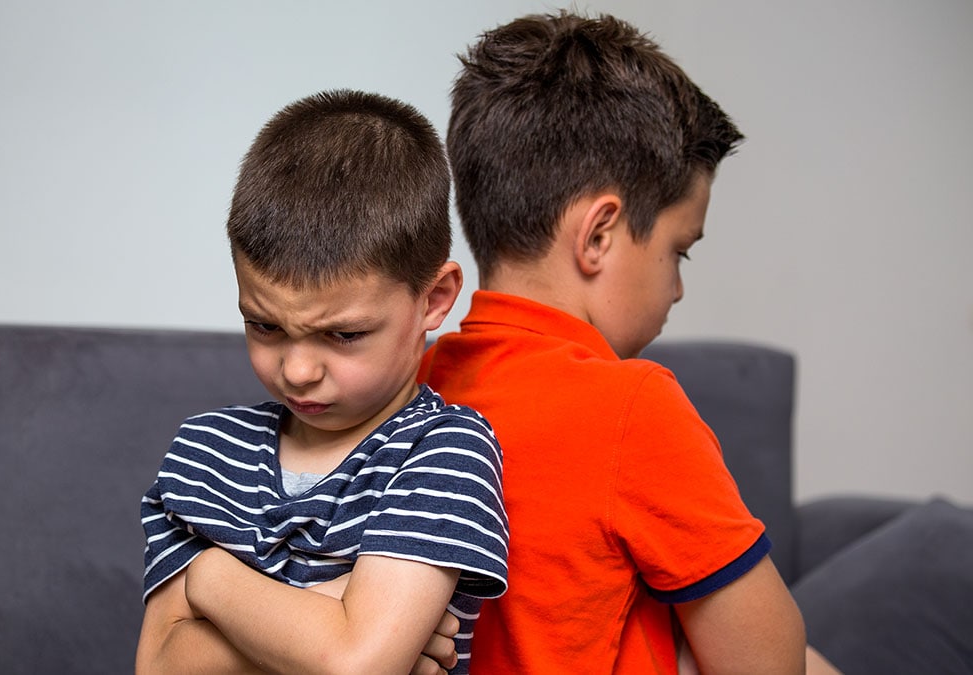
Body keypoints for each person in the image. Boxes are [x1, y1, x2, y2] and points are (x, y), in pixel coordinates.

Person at [420, 10, 833, 674]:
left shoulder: (414, 383)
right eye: (680, 252)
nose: (677, 290)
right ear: (599, 236)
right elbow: (768, 661)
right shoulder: (633, 406)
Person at [136, 89, 509, 675]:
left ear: (435, 300)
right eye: (264, 325)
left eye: (342, 335)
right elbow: (158, 667)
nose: (297, 370)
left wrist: (208, 582)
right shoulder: (204, 453)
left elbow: (354, 665)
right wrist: (330, 614)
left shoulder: (444, 451)